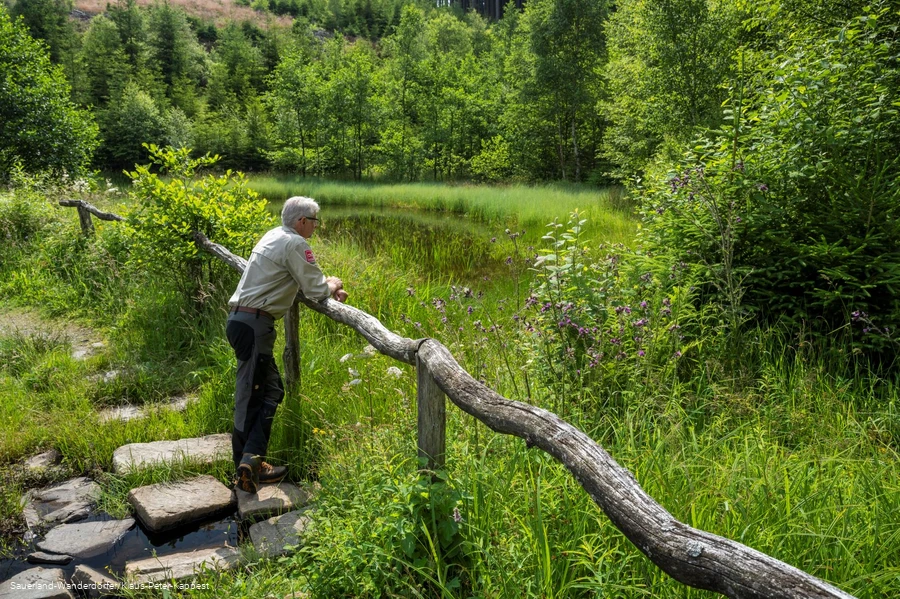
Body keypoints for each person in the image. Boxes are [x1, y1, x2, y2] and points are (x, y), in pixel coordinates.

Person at [226, 196, 347, 494]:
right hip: (255, 325)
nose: (316, 226)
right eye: (315, 221)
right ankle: (245, 467)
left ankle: (251, 461)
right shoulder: (295, 243)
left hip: (244, 321)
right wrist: (333, 284)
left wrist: (320, 287)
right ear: (302, 221)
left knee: (270, 390)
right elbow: (316, 289)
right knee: (251, 396)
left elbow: (290, 280)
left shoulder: (273, 235)